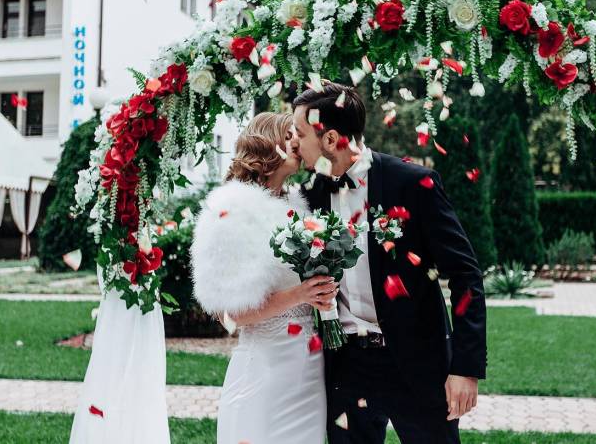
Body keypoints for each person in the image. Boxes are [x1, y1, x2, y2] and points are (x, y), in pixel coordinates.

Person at [291, 82, 487, 444]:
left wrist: (466, 369)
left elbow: (465, 274)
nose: (294, 144)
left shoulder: (412, 184)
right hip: (347, 367)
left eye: (300, 134)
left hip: (417, 363)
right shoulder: (309, 197)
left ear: (330, 139)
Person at [191, 112, 336, 444]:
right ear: (266, 144)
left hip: (309, 372)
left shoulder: (300, 208)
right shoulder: (232, 211)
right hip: (264, 375)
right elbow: (232, 315)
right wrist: (300, 294)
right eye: (288, 135)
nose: (297, 141)